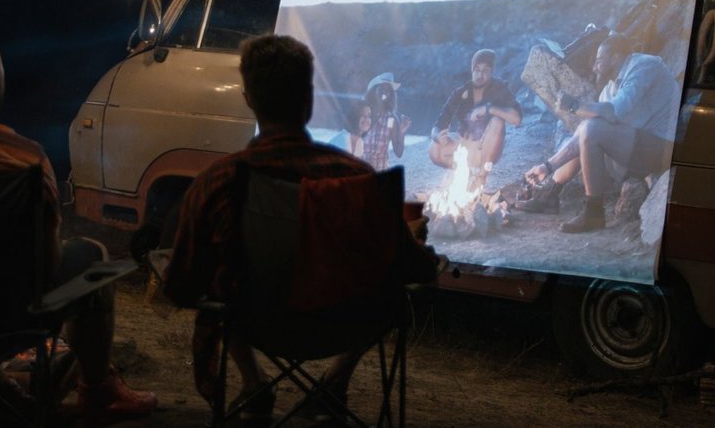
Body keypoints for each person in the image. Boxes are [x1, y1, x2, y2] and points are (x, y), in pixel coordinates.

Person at [164, 35, 441, 422]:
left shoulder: (220, 181)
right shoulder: (358, 179)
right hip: (345, 325)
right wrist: (411, 239)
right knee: (385, 290)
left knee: (224, 275)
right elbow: (416, 270)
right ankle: (334, 381)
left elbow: (181, 284)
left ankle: (254, 382)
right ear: (308, 102)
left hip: (253, 320)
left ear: (249, 100)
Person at [0, 6, 157, 422]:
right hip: (8, 317)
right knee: (88, 252)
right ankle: (98, 390)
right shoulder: (23, 159)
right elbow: (48, 262)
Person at [516, 33, 679, 233]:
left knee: (591, 129)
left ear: (616, 58)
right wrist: (548, 167)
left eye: (599, 61)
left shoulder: (644, 66)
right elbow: (584, 134)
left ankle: (594, 214)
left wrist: (574, 105)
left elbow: (614, 110)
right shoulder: (609, 90)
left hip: (664, 148)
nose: (594, 68)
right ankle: (550, 193)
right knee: (585, 131)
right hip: (636, 151)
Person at [428, 49, 522, 190]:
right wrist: (438, 136)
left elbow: (517, 119)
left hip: (485, 150)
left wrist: (489, 108)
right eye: (477, 70)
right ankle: (464, 172)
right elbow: (438, 124)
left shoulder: (500, 88)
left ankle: (481, 176)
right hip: (463, 145)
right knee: (434, 148)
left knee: (498, 120)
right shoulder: (461, 92)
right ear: (472, 70)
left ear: (492, 72)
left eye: (486, 70)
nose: (480, 74)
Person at [362, 72, 411, 170]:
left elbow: (398, 153)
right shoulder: (363, 114)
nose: (384, 92)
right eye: (381, 88)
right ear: (374, 90)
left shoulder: (391, 120)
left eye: (388, 90)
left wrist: (401, 132)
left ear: (391, 95)